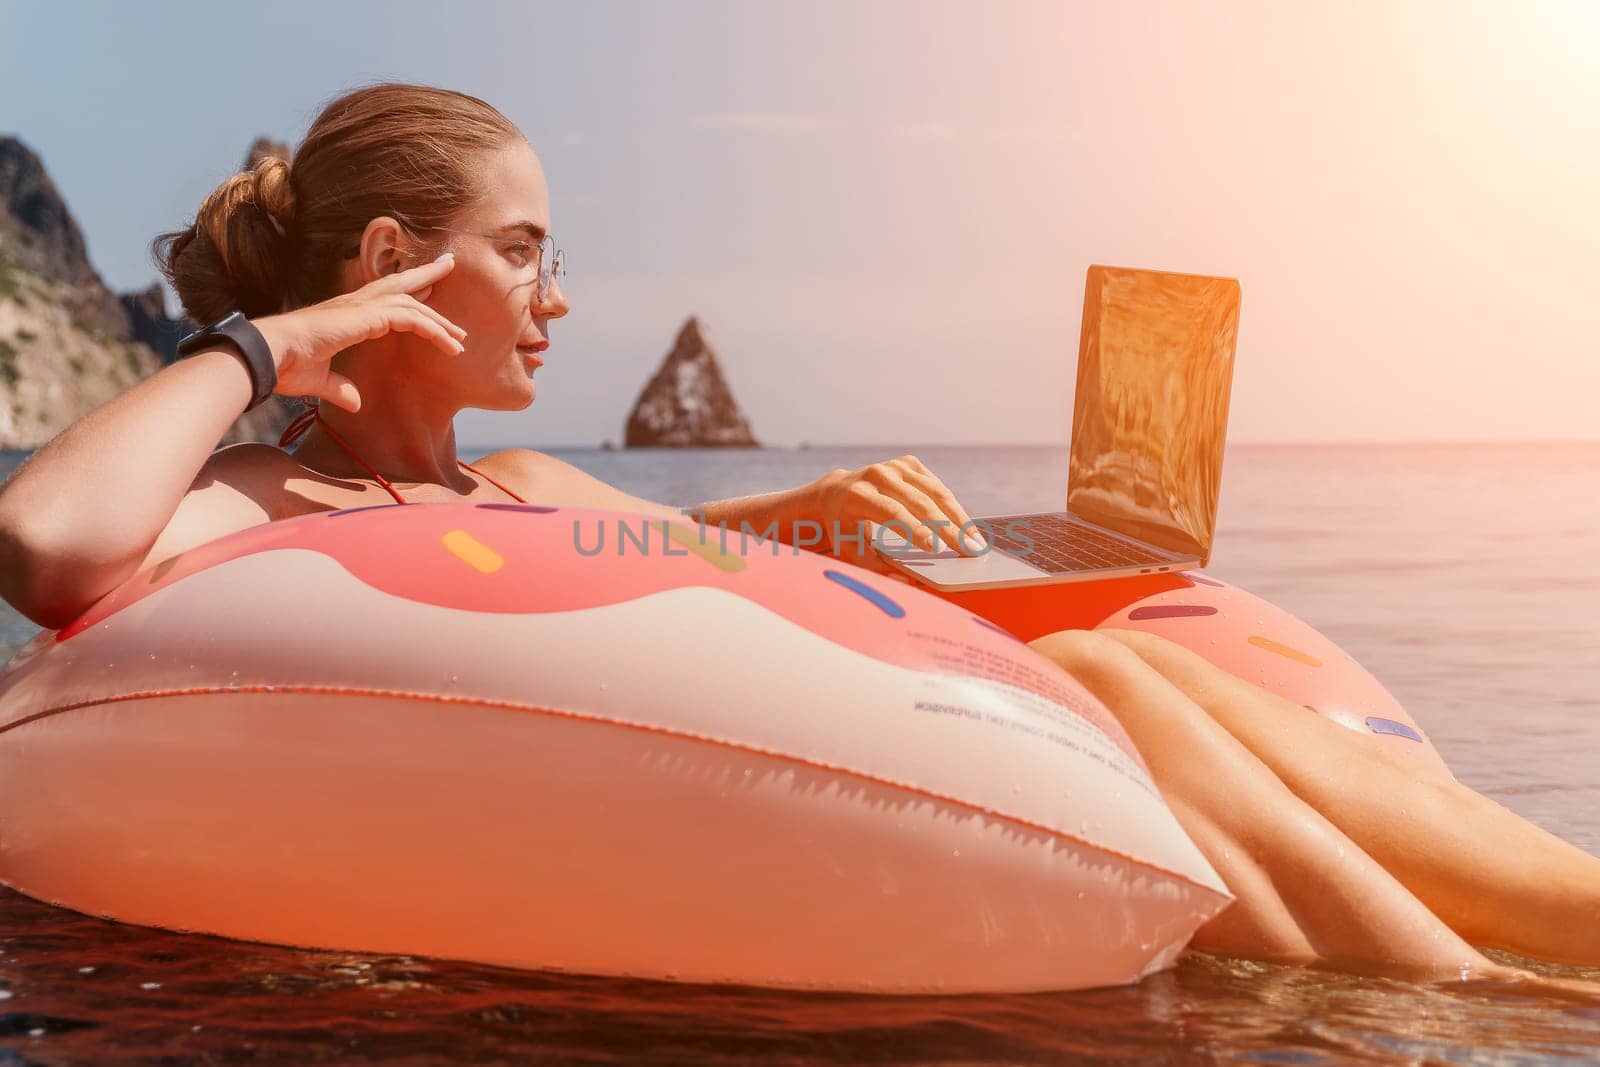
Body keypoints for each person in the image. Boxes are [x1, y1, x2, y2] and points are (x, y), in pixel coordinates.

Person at [0, 82, 1594, 985]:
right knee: (1121, 715)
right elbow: (49, 539)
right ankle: (1471, 1008)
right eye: (526, 255)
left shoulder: (534, 490)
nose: (559, 300)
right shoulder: (263, 506)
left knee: (1127, 664)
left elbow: (686, 579)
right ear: (397, 262)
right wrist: (279, 341)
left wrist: (804, 520)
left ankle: (1550, 952)